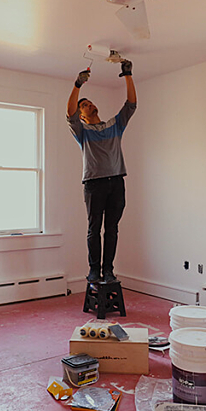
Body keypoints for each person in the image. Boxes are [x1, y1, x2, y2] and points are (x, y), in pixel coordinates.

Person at [67, 59, 137, 284]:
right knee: (94, 229)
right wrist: (78, 85)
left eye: (89, 102)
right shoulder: (82, 132)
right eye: (84, 105)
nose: (89, 105)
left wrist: (127, 74)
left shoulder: (114, 125)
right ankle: (94, 270)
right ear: (82, 115)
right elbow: (69, 113)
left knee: (112, 229)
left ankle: (108, 270)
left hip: (116, 182)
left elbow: (131, 105)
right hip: (94, 184)